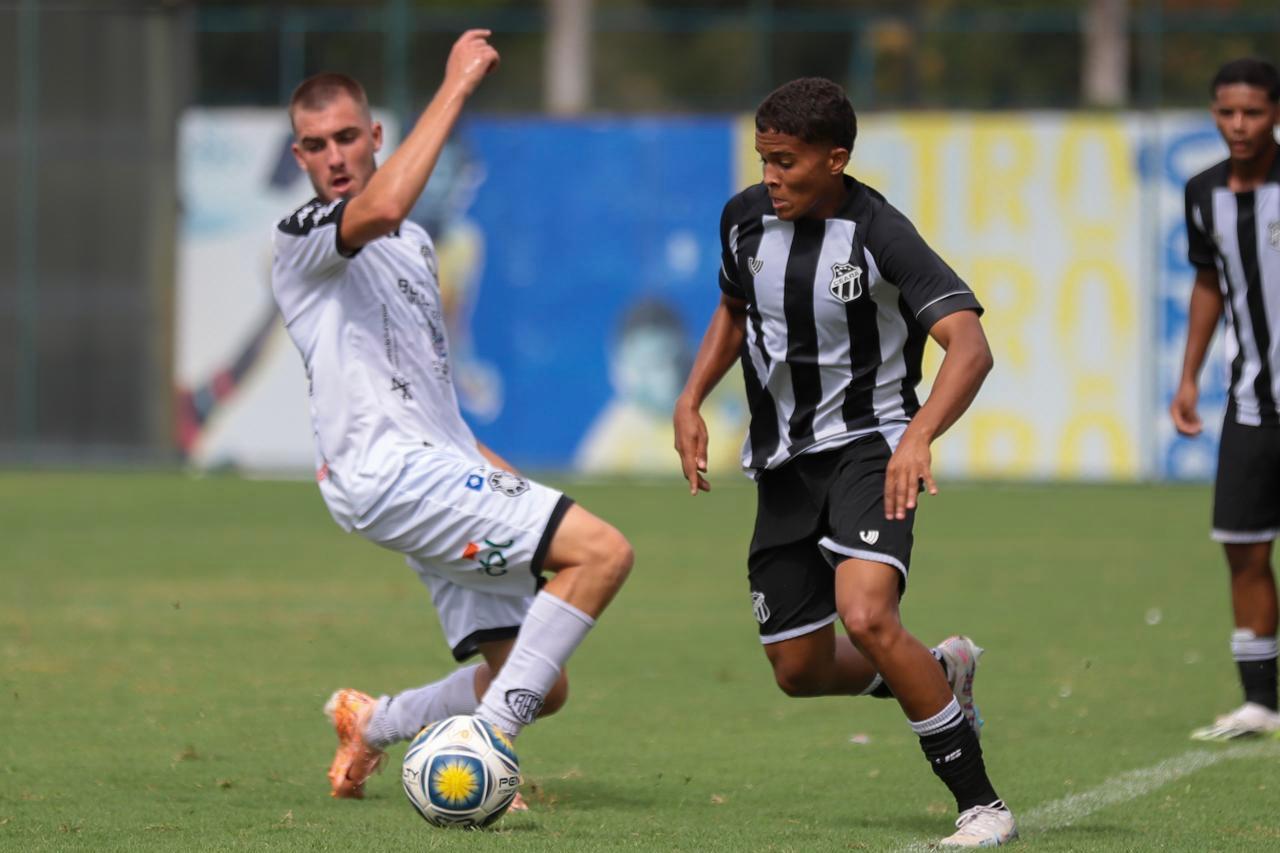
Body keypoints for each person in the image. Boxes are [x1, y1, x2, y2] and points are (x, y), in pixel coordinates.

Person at [270, 30, 633, 801]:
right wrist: (458, 84)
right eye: (316, 145)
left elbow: (436, 408)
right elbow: (384, 202)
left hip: (437, 465)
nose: (334, 156)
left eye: (346, 137)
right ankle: (485, 740)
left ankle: (373, 721)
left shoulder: (414, 246)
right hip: (388, 475)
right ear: (299, 157)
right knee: (603, 553)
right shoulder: (301, 237)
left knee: (539, 678)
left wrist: (504, 481)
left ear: (375, 137)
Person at [673, 77, 1016, 847]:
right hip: (783, 462)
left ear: (836, 159)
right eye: (764, 159)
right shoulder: (743, 219)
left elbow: (970, 346)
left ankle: (982, 804)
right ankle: (937, 672)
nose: (771, 177)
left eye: (787, 162)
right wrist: (691, 397)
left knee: (866, 616)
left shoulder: (880, 234)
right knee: (796, 669)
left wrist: (919, 435)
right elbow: (734, 308)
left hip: (872, 446)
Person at [1172, 57, 1280, 741]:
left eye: (1253, 112)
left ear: (1276, 114)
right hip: (1252, 401)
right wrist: (1189, 375)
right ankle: (1260, 701)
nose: (1238, 125)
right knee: (1243, 546)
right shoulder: (1202, 192)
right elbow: (1209, 282)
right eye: (1226, 112)